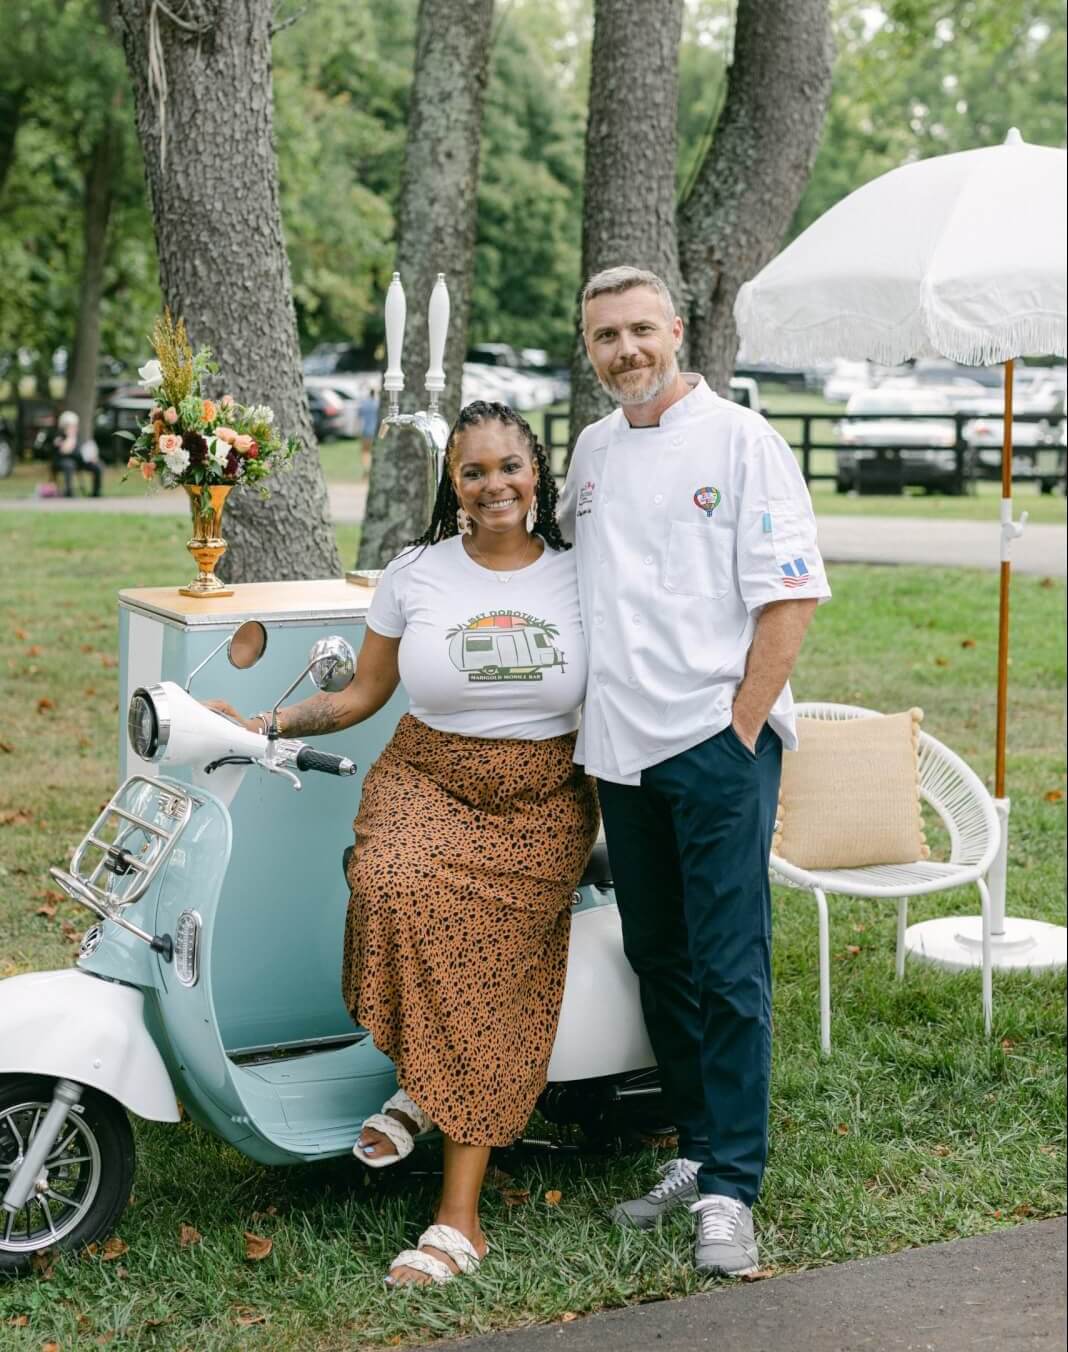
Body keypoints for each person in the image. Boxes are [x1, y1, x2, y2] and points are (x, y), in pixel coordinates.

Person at [207, 401, 598, 1288]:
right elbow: (361, 696)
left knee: (492, 959)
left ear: (537, 469)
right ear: (451, 484)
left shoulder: (582, 576)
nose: (494, 485)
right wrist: (264, 722)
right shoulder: (418, 573)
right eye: (473, 471)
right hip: (426, 775)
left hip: (543, 796)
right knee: (389, 883)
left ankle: (457, 1218)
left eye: (510, 466)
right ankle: (426, 1082)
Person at [558, 266, 831, 1277]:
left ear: (676, 328)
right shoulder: (590, 449)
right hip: (621, 751)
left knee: (729, 966)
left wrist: (740, 727)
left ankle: (734, 1190)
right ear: (587, 348)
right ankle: (695, 1146)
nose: (625, 350)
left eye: (640, 329)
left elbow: (791, 595)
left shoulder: (743, 439)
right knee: (660, 957)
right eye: (604, 337)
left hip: (714, 747)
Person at [50, 410, 102, 498]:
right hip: (62, 461)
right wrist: (70, 436)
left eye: (74, 426)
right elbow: (65, 450)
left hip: (79, 461)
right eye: (71, 426)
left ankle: (96, 493)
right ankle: (69, 492)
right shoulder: (59, 437)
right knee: (69, 465)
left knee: (97, 466)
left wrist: (92, 457)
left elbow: (86, 450)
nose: (74, 428)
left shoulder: (79, 438)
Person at [357, 381, 380, 476]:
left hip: (366, 431)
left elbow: (359, 417)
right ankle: (373, 469)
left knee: (365, 452)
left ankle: (366, 468)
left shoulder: (364, 403)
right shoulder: (377, 404)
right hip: (375, 431)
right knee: (374, 451)